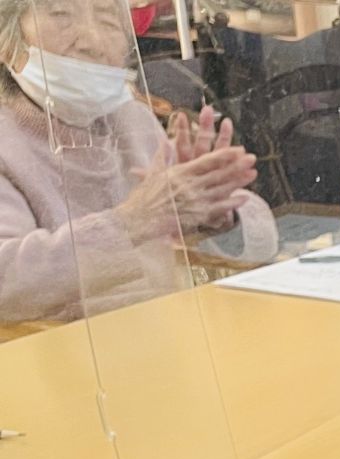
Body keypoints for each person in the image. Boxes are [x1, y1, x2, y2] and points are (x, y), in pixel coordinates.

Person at [0, 0, 275, 326]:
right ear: (7, 41)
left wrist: (216, 214)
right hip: (53, 349)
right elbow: (7, 283)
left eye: (108, 20)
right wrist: (132, 222)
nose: (92, 41)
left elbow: (263, 239)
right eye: (61, 15)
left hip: (164, 333)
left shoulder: (132, 119)